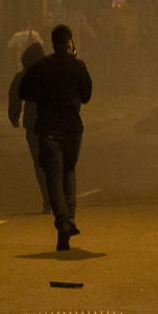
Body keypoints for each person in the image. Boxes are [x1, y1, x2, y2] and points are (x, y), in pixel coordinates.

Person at [19, 25, 92, 251]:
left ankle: (62, 220)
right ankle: (70, 217)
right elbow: (87, 95)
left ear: (52, 43)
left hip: (48, 128)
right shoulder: (78, 66)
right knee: (68, 171)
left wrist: (42, 96)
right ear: (70, 43)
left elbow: (23, 91)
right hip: (72, 128)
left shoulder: (40, 67)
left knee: (53, 176)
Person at [8, 42, 51, 214]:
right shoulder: (52, 73)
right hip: (53, 123)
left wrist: (14, 117)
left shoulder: (22, 76)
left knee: (40, 163)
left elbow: (14, 98)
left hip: (33, 123)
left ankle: (48, 200)